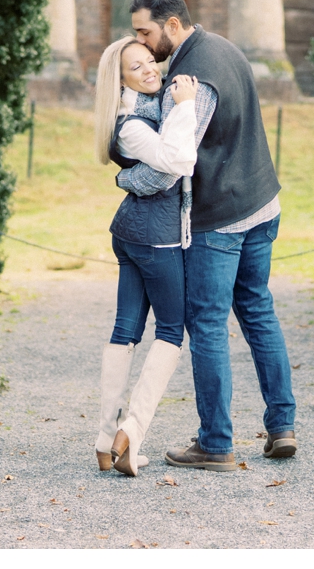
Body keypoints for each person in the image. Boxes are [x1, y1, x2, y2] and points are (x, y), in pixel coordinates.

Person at [120, 0, 297, 472]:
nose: (141, 41)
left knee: (206, 323)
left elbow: (174, 162)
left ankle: (216, 442)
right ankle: (283, 427)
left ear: (172, 25)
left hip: (222, 219)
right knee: (258, 310)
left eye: (145, 31)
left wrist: (125, 176)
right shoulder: (225, 47)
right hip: (264, 203)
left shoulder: (194, 75)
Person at [91, 36, 200, 477]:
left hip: (132, 232)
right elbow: (178, 159)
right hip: (156, 236)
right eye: (136, 68)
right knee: (172, 331)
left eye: (150, 60)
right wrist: (187, 104)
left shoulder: (143, 110)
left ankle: (104, 439)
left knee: (125, 330)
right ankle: (131, 434)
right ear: (119, 82)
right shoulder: (130, 123)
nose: (150, 68)